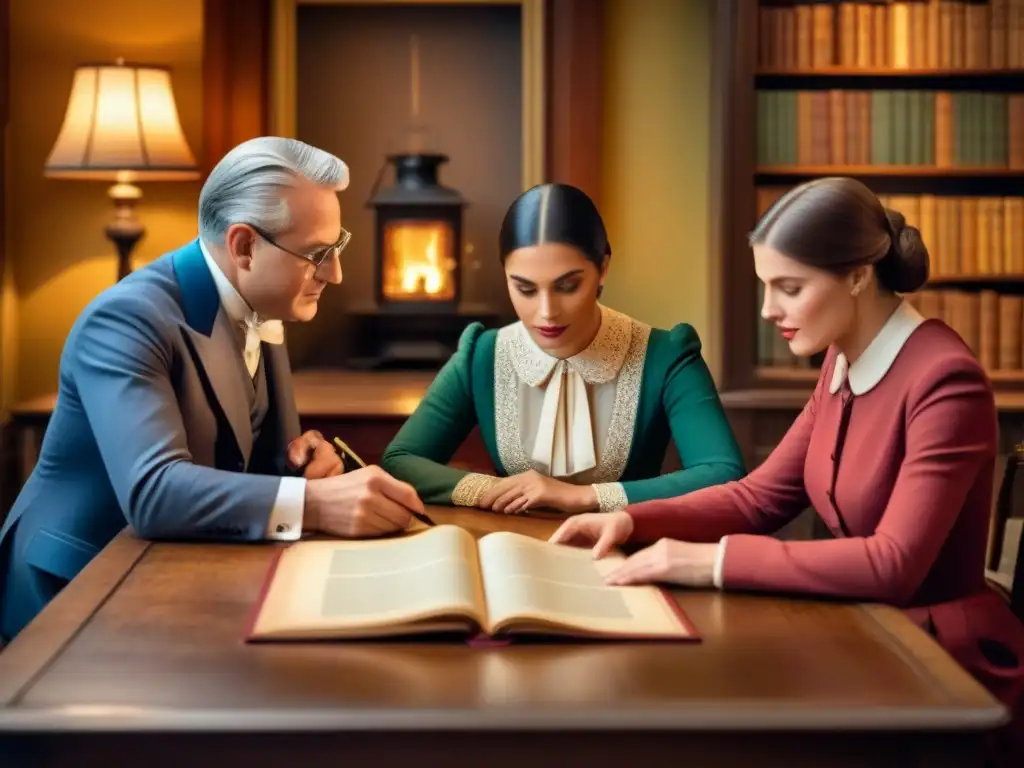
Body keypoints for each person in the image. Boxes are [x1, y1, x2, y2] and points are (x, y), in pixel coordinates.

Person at [548, 176, 1024, 766]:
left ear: (857, 275)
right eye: (766, 287)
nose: (770, 310)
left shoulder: (944, 380)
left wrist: (708, 561)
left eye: (789, 288)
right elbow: (759, 498)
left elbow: (894, 563)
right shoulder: (842, 359)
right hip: (865, 632)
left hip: (937, 667)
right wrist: (625, 519)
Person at [0, 137, 424, 642]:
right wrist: (313, 502)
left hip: (170, 573)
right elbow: (153, 492)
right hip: (75, 596)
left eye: (337, 247)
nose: (335, 273)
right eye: (318, 253)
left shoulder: (260, 302)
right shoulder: (126, 319)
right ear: (244, 245)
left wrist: (301, 465)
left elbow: (261, 464)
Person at [380, 182, 745, 516]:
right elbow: (400, 460)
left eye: (568, 286)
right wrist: (492, 489)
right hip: (513, 549)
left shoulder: (667, 355)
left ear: (603, 268)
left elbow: (722, 474)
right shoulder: (483, 354)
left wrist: (580, 496)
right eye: (524, 289)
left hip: (625, 552)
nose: (547, 312)